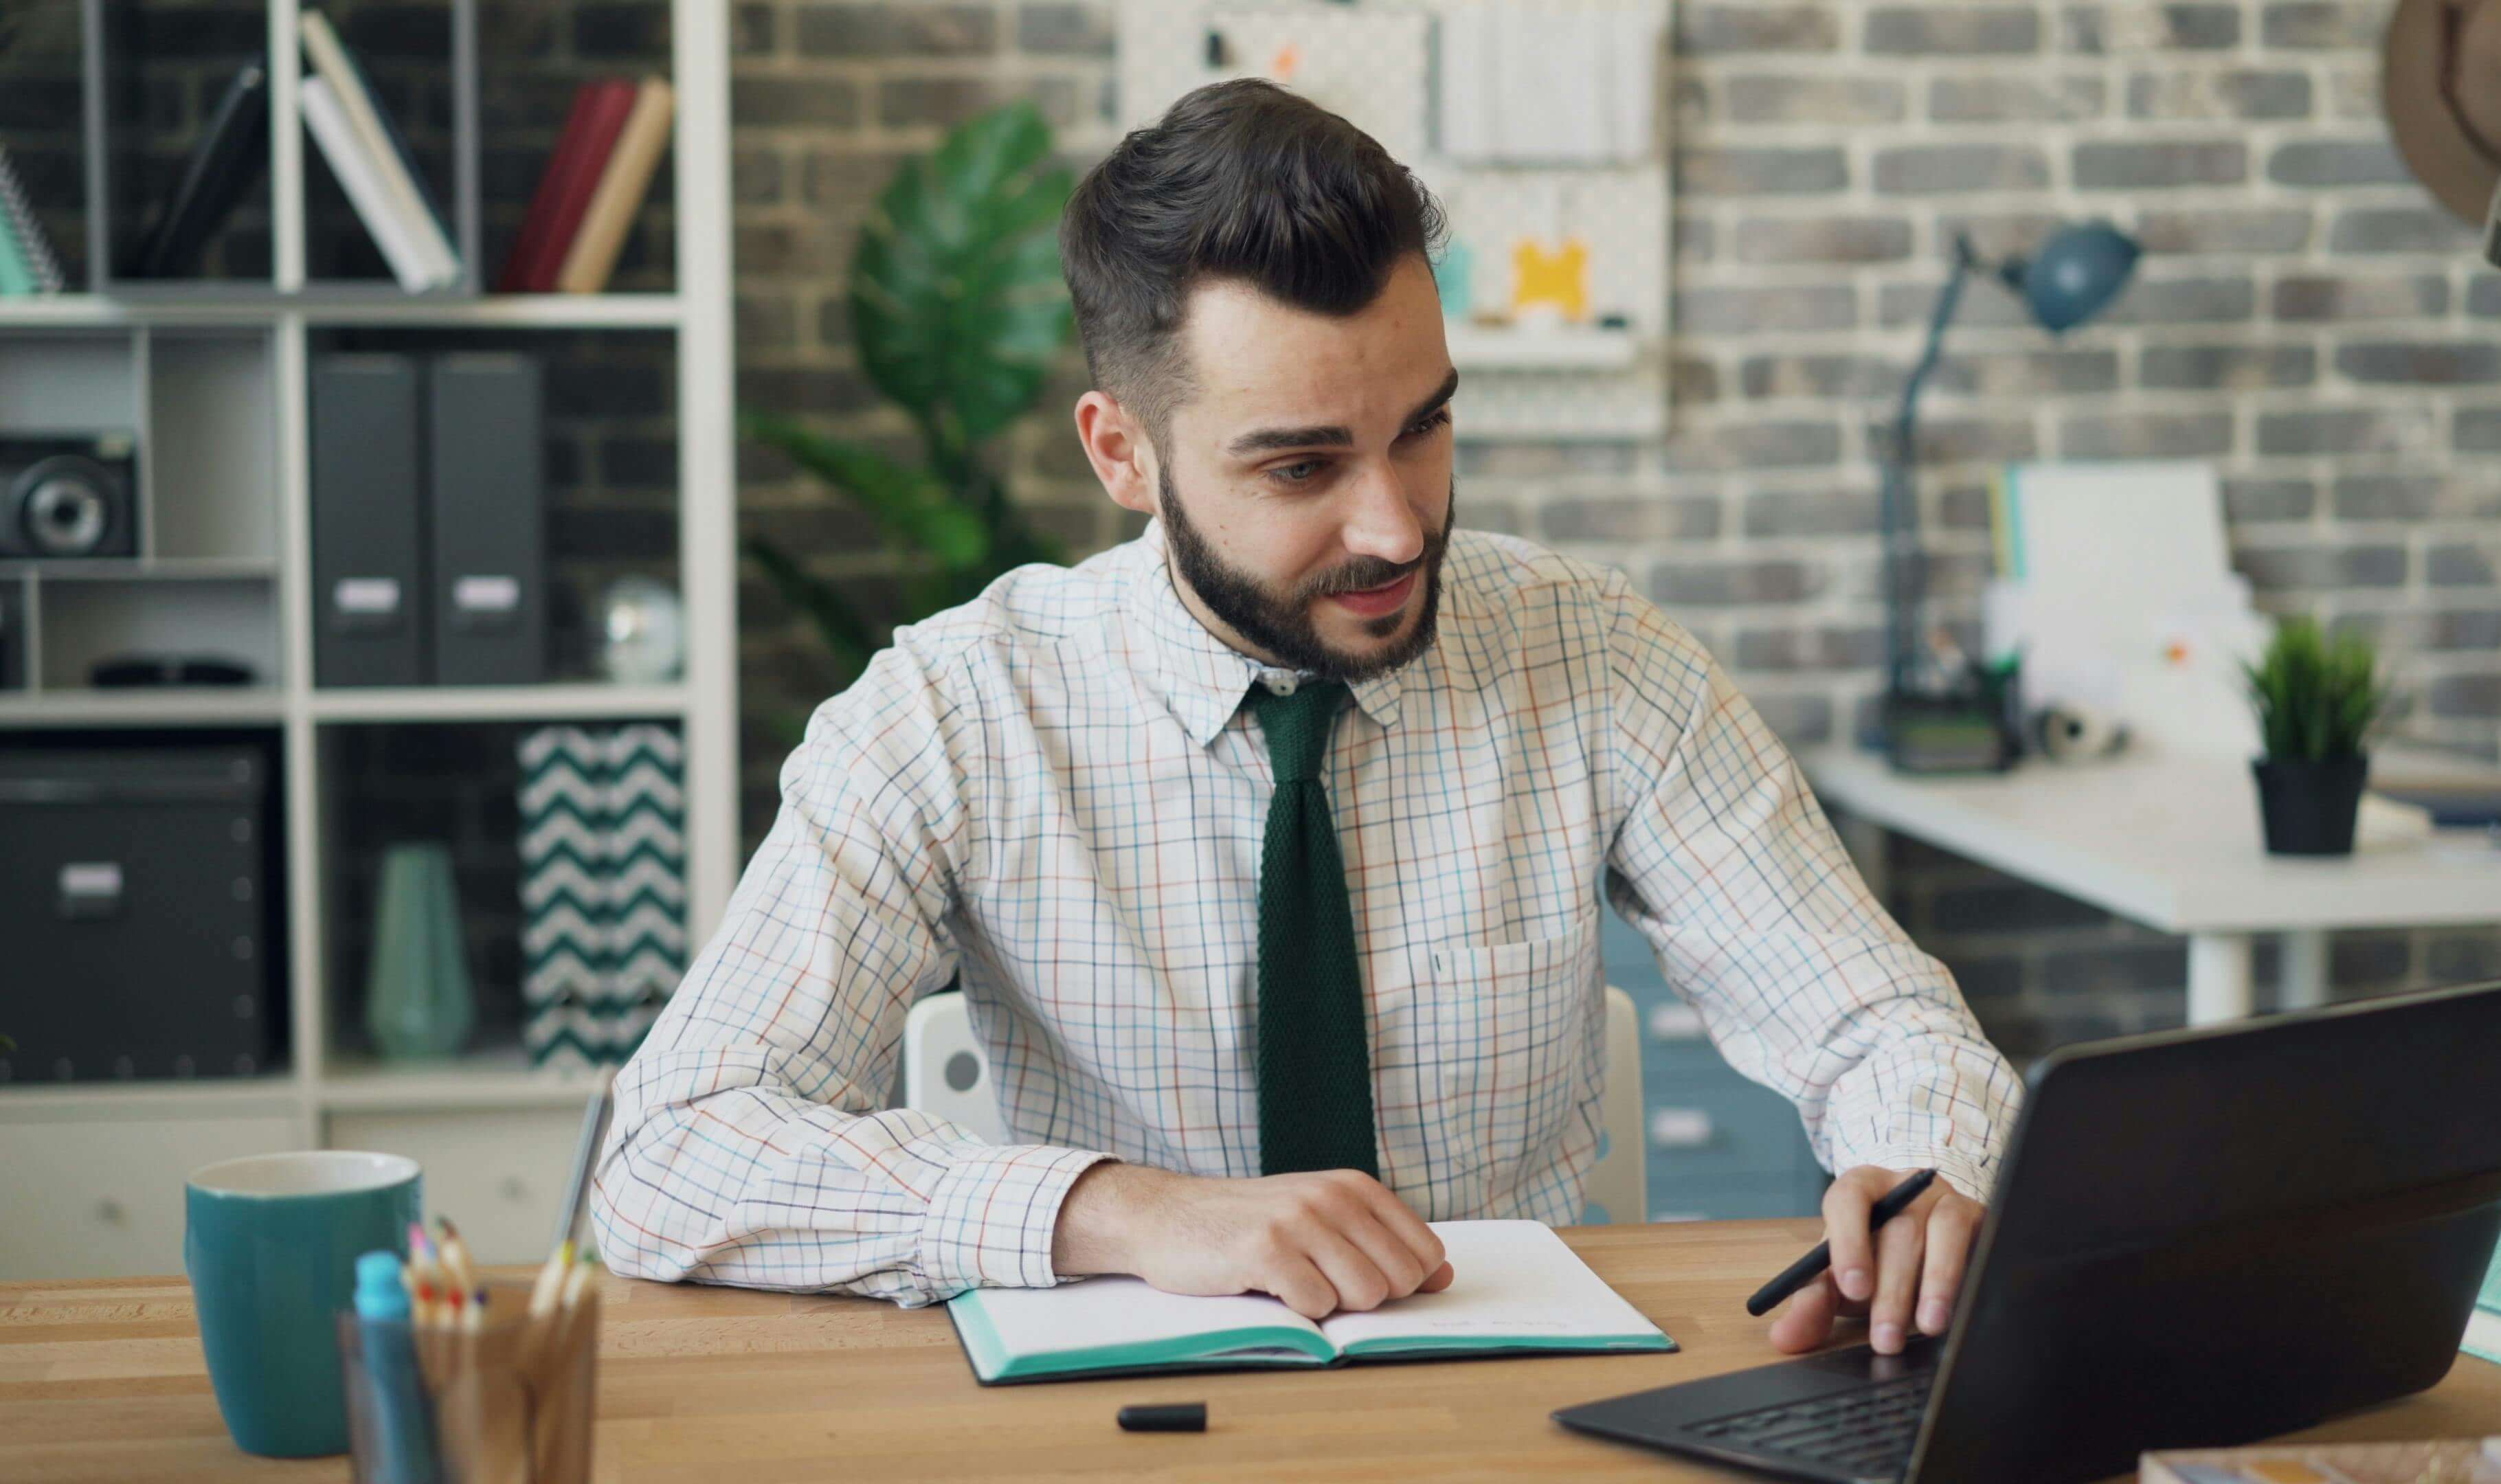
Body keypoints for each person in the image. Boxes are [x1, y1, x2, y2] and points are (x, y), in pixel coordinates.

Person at [592, 79, 2022, 1361]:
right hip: (1123, 1433)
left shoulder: (1597, 657)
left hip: (1518, 1419)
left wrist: (1920, 1169)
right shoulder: (957, 710)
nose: (1396, 525)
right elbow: (668, 1153)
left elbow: (1880, 1027)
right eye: (1301, 468)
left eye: (1425, 427)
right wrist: (1127, 1213)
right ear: (1123, 454)